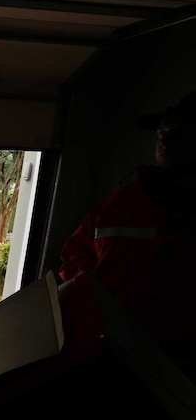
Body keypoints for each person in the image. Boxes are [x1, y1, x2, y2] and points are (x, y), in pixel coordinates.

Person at [58, 91, 196, 368]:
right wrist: (91, 305)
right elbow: (74, 257)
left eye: (179, 133)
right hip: (106, 351)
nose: (165, 140)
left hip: (182, 366)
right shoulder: (120, 203)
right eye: (162, 132)